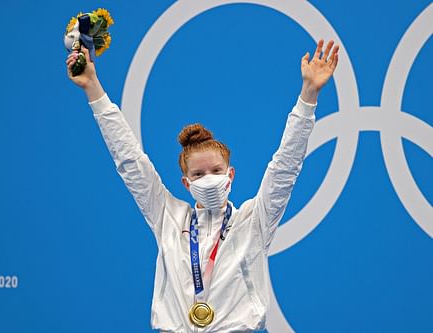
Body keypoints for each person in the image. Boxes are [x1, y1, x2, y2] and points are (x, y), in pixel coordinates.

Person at [66, 39, 339, 333]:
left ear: (230, 175)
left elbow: (285, 167)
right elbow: (130, 160)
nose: (208, 178)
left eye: (216, 170)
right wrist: (93, 88)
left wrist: (308, 96)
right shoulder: (167, 216)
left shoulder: (254, 220)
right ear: (186, 183)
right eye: (198, 174)